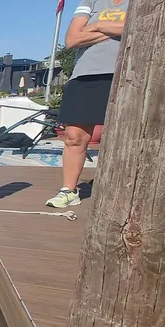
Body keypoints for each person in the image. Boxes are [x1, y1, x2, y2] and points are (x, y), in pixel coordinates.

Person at [46, 0, 127, 208]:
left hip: (127, 73)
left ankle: (122, 191)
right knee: (74, 136)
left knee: (124, 139)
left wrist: (97, 25)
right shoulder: (90, 1)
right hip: (85, 74)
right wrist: (118, 30)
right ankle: (69, 190)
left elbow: (139, 28)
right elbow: (72, 39)